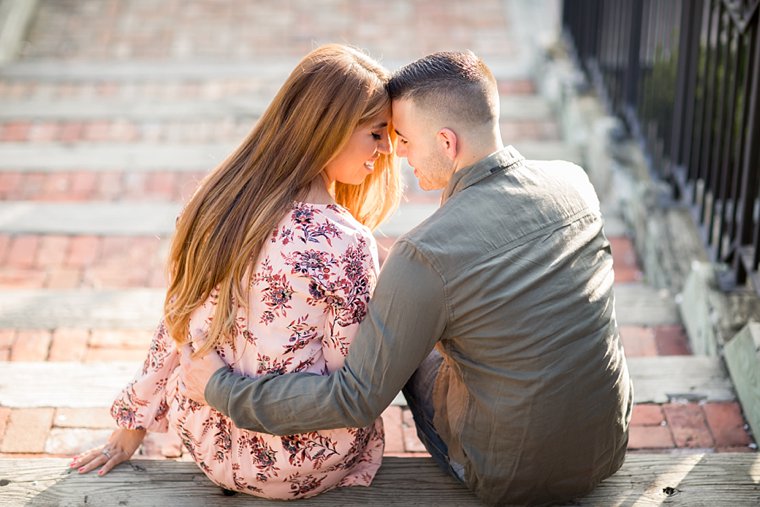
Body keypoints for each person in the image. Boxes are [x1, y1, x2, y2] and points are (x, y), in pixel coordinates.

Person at [180, 50, 634, 506]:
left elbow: (355, 400)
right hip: (608, 446)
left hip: (504, 473)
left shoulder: (423, 254)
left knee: (397, 341)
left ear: (446, 142)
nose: (392, 154)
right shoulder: (574, 182)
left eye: (403, 140)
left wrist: (223, 389)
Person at [69, 43, 403, 499]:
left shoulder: (217, 201)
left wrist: (134, 423)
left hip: (208, 440)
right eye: (377, 134)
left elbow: (178, 319)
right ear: (333, 130)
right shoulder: (346, 243)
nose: (385, 152)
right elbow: (349, 383)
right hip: (302, 464)